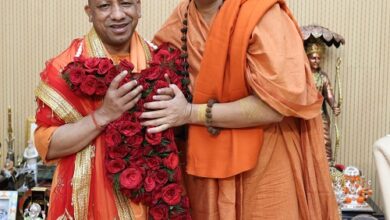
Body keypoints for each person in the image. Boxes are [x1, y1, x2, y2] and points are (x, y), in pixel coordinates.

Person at [142, 0, 340, 219]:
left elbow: (275, 106)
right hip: (206, 163)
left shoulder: (261, 13)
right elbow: (157, 67)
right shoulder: (184, 14)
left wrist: (190, 113)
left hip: (264, 162)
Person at [34, 0, 150, 219]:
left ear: (139, 7)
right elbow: (47, 146)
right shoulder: (64, 69)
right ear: (89, 12)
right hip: (87, 204)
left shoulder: (159, 62)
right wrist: (104, 115)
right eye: (104, 6)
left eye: (126, 3)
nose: (117, 15)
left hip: (147, 201)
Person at [305, 40, 341, 162]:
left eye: (318, 58)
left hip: (320, 114)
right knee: (306, 141)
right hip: (305, 114)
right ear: (307, 58)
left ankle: (328, 166)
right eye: (313, 58)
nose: (316, 61)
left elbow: (329, 95)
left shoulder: (323, 77)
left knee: (325, 140)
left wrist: (334, 106)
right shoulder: (303, 76)